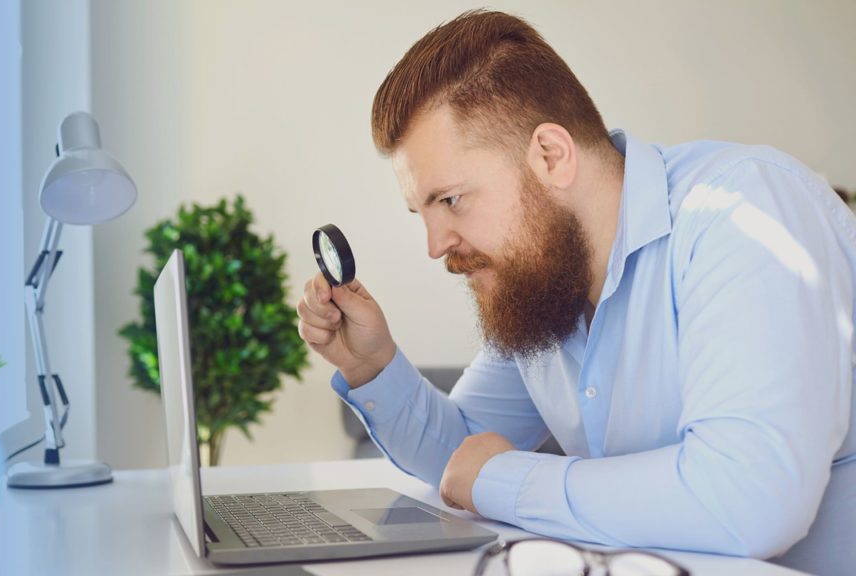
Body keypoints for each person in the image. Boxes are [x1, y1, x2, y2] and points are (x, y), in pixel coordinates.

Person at [296, 9, 855, 575]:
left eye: (450, 200)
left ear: (551, 156)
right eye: (422, 212)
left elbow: (753, 500)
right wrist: (373, 366)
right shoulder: (544, 280)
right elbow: (465, 459)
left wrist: (507, 479)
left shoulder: (744, 212)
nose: (436, 245)